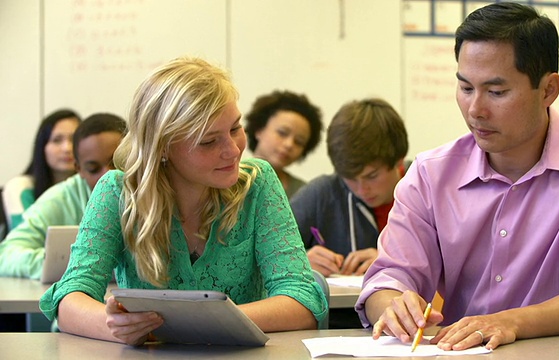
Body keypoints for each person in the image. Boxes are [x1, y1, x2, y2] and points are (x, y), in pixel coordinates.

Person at [356, 2, 559, 352]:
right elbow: (387, 278)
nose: (476, 109)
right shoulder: (431, 175)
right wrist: (392, 303)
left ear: (549, 89)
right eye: (465, 88)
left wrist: (509, 322)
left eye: (496, 92)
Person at [39, 57, 327, 346]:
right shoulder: (117, 191)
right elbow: (69, 299)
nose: (233, 150)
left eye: (235, 128)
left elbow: (302, 300)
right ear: (162, 147)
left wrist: (202, 323)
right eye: (208, 141)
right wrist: (115, 325)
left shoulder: (257, 181)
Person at [290, 98, 409, 278]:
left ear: (399, 160)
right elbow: (260, 255)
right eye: (350, 179)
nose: (361, 190)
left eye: (372, 176)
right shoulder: (320, 194)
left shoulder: (426, 188)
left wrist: (393, 261)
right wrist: (298, 261)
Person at [0, 113, 126, 279]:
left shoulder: (159, 189)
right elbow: (7, 254)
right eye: (93, 169)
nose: (108, 176)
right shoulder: (59, 199)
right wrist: (73, 264)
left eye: (116, 164)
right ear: (78, 168)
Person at [3, 109, 81, 230]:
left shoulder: (94, 186)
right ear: (42, 146)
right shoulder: (20, 187)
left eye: (74, 139)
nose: (67, 148)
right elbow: (24, 237)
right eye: (57, 140)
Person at [244, 90, 323, 198]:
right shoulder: (227, 178)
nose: (289, 144)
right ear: (259, 129)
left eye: (299, 142)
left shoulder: (304, 194)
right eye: (282, 133)